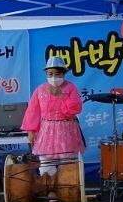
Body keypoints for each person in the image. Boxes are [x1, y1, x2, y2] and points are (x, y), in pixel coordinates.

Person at [21, 56, 85, 185]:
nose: (54, 77)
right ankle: (51, 193)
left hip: (66, 129)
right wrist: (31, 131)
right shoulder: (40, 90)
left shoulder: (70, 87)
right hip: (47, 130)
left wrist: (61, 96)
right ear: (46, 74)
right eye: (50, 74)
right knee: (46, 164)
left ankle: (68, 193)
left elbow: (75, 108)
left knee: (67, 164)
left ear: (63, 74)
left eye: (57, 74)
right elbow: (32, 111)